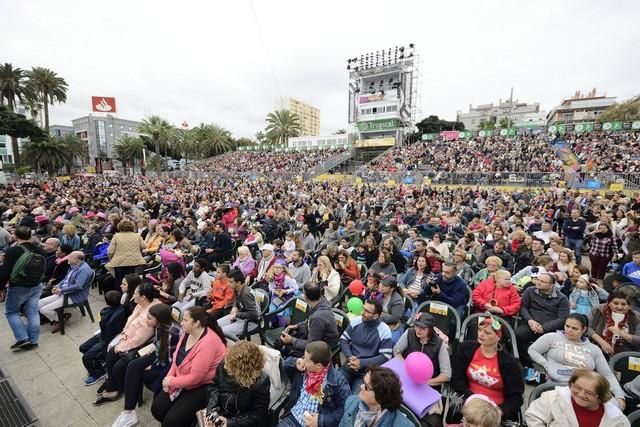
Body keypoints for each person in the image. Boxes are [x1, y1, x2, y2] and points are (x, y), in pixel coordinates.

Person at [528, 313, 626, 407]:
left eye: (574, 328)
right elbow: (532, 350)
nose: (569, 330)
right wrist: (546, 364)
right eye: (567, 326)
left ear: (584, 329)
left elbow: (606, 374)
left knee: (614, 405)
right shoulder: (553, 337)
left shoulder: (594, 349)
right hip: (557, 384)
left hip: (585, 388)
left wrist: (619, 396)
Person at [151, 306, 227, 427]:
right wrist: (169, 377)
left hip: (203, 385)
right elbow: (176, 359)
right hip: (183, 377)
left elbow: (195, 378)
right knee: (157, 408)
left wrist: (171, 381)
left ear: (197, 323)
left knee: (172, 421)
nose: (181, 323)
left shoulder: (208, 342)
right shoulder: (188, 333)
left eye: (185, 320)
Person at [111, 303, 181, 427]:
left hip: (168, 366)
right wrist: (148, 351)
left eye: (149, 318)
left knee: (139, 374)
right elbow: (158, 344)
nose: (146, 320)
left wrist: (154, 366)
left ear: (159, 319)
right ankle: (128, 412)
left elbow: (171, 361)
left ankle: (129, 413)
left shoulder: (173, 334)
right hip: (159, 356)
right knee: (132, 365)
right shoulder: (159, 327)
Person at [94, 283, 161, 405]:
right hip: (128, 338)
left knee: (115, 362)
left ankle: (115, 388)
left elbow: (140, 340)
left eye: (135, 293)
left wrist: (121, 346)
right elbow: (130, 321)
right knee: (110, 353)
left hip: (141, 345)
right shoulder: (140, 304)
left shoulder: (150, 313)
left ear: (144, 296)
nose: (133, 295)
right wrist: (123, 335)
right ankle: (112, 385)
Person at [450, 317, 524, 423]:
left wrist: (497, 412)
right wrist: (472, 398)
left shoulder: (509, 363)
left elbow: (515, 397)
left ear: (498, 337)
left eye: (487, 333)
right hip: (469, 401)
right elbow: (457, 378)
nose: (481, 334)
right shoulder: (467, 348)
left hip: (494, 411)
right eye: (479, 330)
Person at [278, 341, 351, 427]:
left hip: (314, 424)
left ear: (319, 366)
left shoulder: (337, 381)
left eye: (307, 360)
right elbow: (284, 365)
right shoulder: (304, 368)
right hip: (293, 418)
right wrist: (295, 362)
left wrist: (321, 421)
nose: (304, 361)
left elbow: (346, 409)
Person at [525, 368, 630, 427]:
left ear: (600, 396)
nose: (580, 394)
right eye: (577, 387)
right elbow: (533, 416)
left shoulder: (616, 418)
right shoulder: (553, 397)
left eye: (588, 392)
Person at [1, 226, 47, 350]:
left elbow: (5, 272)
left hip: (18, 286)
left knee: (11, 312)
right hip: (37, 285)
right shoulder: (40, 250)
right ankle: (33, 341)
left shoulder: (13, 250)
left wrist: (1, 287)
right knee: (32, 311)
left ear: (16, 236)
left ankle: (22, 338)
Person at [204, 340, 270, 427]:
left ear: (241, 371)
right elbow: (215, 386)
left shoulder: (260, 383)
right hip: (222, 413)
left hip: (240, 421)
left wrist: (230, 423)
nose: (225, 366)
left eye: (230, 367)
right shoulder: (226, 362)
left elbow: (257, 414)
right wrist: (212, 410)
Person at [516, 272, 569, 369]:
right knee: (517, 335)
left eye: (543, 281)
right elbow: (523, 307)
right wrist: (530, 320)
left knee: (551, 345)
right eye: (538, 280)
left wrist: (544, 328)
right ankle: (527, 364)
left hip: (549, 328)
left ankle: (547, 367)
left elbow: (562, 318)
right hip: (530, 324)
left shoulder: (562, 298)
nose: (538, 283)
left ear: (551, 285)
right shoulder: (530, 291)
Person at [340, 299, 393, 392]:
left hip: (366, 374)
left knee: (355, 401)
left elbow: (385, 357)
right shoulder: (356, 321)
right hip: (349, 365)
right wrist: (350, 357)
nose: (362, 313)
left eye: (367, 311)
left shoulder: (384, 330)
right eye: (363, 309)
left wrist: (361, 363)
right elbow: (343, 339)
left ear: (376, 316)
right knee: (333, 387)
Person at [279, 283, 340, 358]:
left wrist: (291, 340)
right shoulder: (321, 302)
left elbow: (311, 345)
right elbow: (309, 321)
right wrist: (297, 326)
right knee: (280, 341)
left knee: (288, 359)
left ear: (305, 297)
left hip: (322, 349)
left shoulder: (318, 317)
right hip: (315, 337)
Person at [37, 251, 93, 333]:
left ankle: (60, 320)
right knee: (38, 303)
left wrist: (61, 290)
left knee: (44, 309)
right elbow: (66, 279)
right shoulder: (73, 266)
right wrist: (58, 286)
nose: (68, 258)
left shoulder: (84, 270)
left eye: (70, 257)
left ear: (78, 260)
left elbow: (78, 286)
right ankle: (61, 318)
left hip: (73, 296)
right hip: (64, 292)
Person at [339, 366, 413, 427]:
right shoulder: (351, 402)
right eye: (363, 382)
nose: (361, 386)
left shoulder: (403, 425)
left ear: (381, 397)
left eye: (366, 386)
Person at [79, 290, 126, 385]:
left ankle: (98, 373)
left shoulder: (108, 313)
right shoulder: (110, 311)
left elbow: (109, 333)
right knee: (83, 347)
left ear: (106, 302)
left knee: (86, 357)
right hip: (103, 334)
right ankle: (98, 363)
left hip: (108, 339)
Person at [394, 312, 451, 387]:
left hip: (428, 383)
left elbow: (446, 375)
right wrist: (406, 366)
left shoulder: (440, 344)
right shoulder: (409, 333)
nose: (418, 330)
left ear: (430, 329)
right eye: (416, 326)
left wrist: (426, 382)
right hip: (407, 377)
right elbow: (397, 350)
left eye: (422, 328)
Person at [587, 290, 640, 355]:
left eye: (624, 304)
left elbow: (638, 340)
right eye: (615, 303)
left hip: (625, 354)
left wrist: (621, 333)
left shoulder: (636, 317)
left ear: (629, 306)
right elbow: (586, 327)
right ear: (608, 303)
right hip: (598, 349)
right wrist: (602, 342)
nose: (619, 307)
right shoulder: (598, 309)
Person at [217, 269, 259, 339]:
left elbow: (254, 314)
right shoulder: (237, 288)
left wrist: (237, 314)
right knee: (216, 324)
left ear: (238, 283)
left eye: (231, 282)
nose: (228, 284)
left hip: (251, 322)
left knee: (223, 332)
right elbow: (236, 298)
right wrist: (234, 306)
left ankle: (233, 346)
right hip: (240, 316)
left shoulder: (246, 294)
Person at [106, 219, 146, 288]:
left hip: (119, 262)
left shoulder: (116, 236)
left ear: (120, 227)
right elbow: (144, 246)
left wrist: (110, 258)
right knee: (131, 282)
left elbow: (110, 251)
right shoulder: (137, 235)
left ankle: (120, 296)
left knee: (119, 282)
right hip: (134, 261)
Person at [378, 276, 405, 343]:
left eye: (385, 285)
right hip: (379, 322)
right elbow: (375, 310)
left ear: (392, 288)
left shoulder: (397, 300)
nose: (381, 286)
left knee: (389, 341)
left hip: (393, 326)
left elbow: (395, 318)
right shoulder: (379, 295)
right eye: (381, 283)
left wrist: (379, 316)